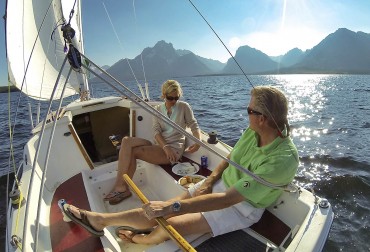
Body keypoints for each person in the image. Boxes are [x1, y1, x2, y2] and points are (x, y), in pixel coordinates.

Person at [63, 86, 299, 245]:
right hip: (219, 187)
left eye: (249, 111)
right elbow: (229, 160)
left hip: (241, 206)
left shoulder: (281, 160)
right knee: (159, 208)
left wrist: (172, 208)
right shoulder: (253, 131)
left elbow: (228, 200)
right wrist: (208, 181)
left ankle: (139, 239)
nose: (245, 114)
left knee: (170, 223)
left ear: (262, 118)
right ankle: (100, 220)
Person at [104, 80, 201, 204]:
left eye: (176, 98)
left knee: (133, 152)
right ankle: (120, 185)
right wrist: (165, 146)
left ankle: (122, 188)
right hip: (161, 146)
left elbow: (194, 125)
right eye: (170, 98)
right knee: (126, 141)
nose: (174, 101)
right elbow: (156, 132)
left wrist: (198, 141)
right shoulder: (157, 109)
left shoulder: (184, 107)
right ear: (163, 95)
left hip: (174, 150)